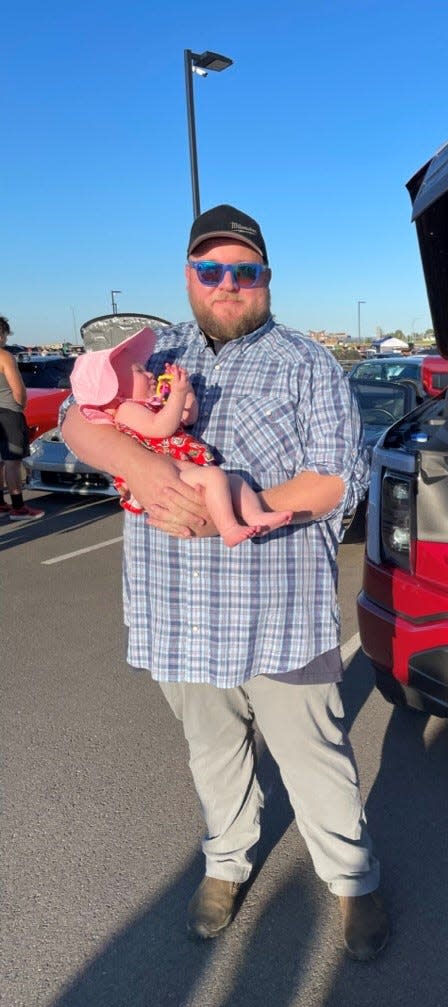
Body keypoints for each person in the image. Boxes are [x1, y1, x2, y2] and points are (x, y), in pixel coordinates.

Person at [61, 204, 389, 961]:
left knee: (314, 758)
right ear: (188, 277)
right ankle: (226, 862)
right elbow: (79, 421)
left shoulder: (308, 363)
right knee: (211, 754)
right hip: (175, 611)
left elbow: (335, 481)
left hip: (278, 612)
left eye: (244, 271)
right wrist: (142, 466)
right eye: (211, 270)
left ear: (266, 280)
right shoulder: (152, 351)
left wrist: (233, 507)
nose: (227, 284)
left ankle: (351, 879)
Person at [69, 331, 292, 546]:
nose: (149, 374)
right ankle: (229, 529)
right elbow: (161, 428)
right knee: (215, 477)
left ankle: (257, 516)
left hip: (182, 466)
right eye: (138, 371)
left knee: (235, 482)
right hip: (172, 472)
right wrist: (176, 395)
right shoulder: (127, 409)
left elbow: (189, 418)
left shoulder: (153, 404)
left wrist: (186, 395)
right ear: (114, 389)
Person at [0, 315, 45, 521]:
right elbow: (18, 390)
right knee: (12, 461)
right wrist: (22, 404)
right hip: (8, 412)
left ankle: (1, 503)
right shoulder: (4, 357)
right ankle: (18, 507)